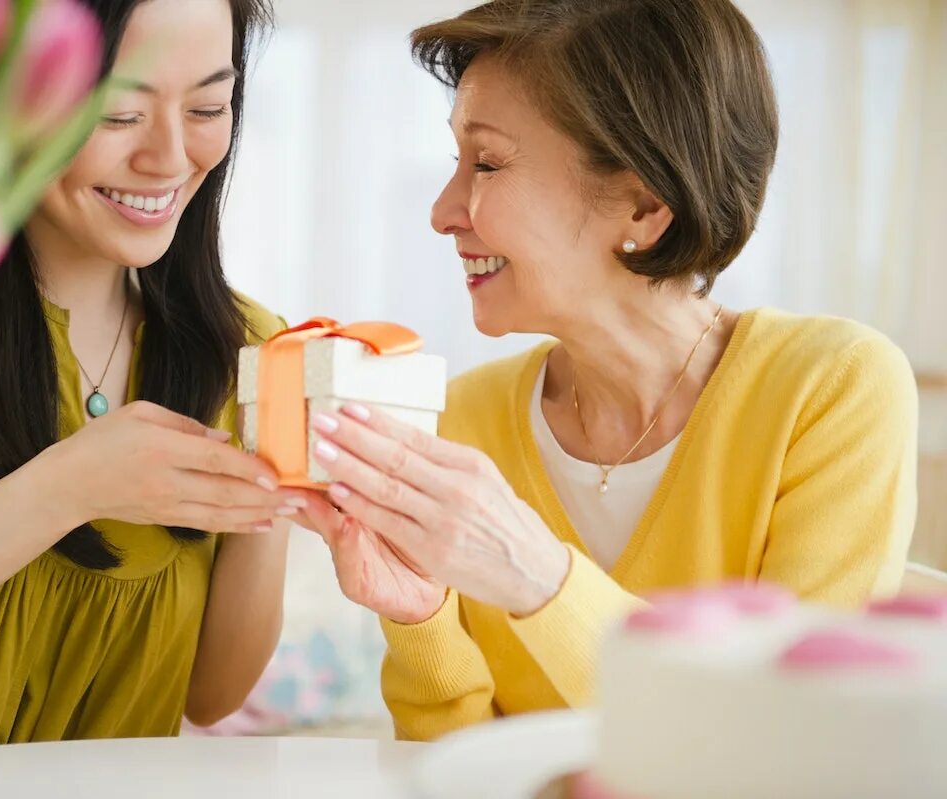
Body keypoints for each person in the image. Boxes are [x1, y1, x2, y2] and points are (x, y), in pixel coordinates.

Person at [297, 0, 919, 742]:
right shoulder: (467, 417)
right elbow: (458, 762)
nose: (442, 210)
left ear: (645, 206)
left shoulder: (833, 388)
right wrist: (419, 616)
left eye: (487, 162)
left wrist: (537, 577)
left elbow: (785, 740)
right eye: (457, 162)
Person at [0, 0, 304, 755]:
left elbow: (212, 689)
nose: (169, 158)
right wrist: (70, 484)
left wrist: (281, 490)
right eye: (116, 114)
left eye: (208, 105)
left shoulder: (253, 350)